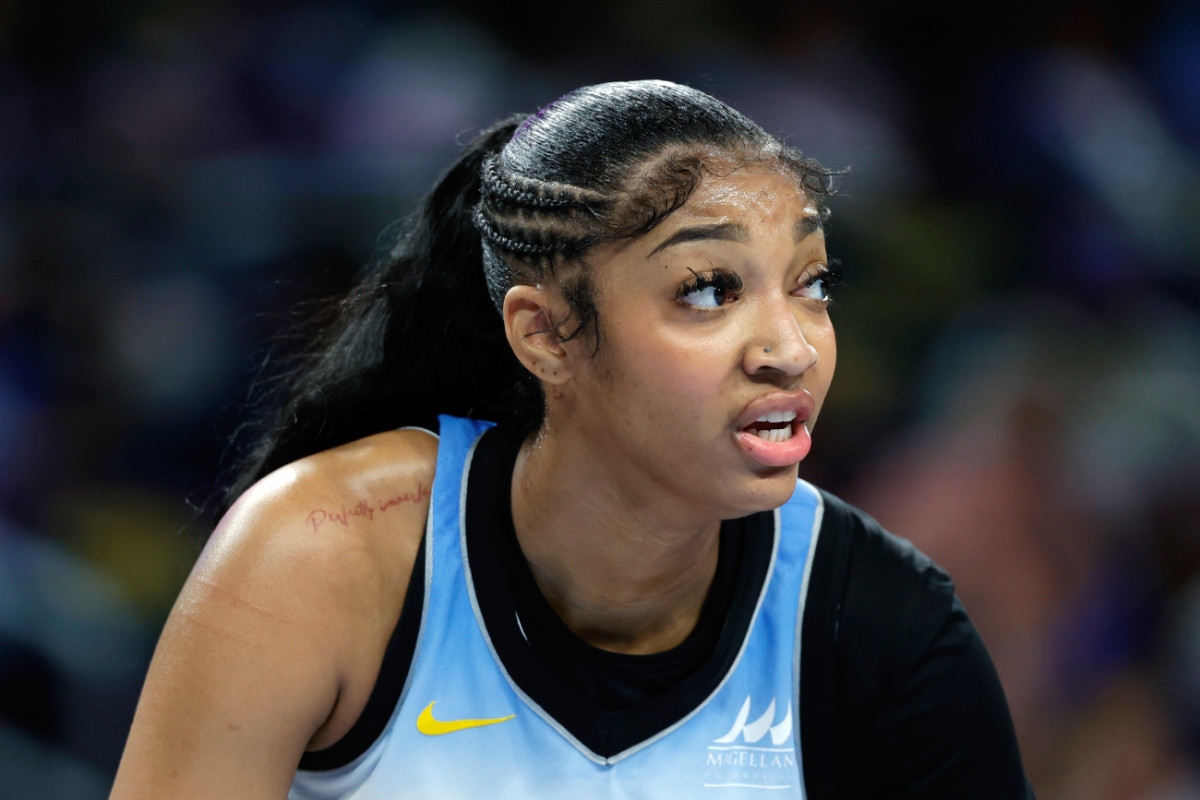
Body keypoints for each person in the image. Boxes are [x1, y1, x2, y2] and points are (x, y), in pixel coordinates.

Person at [110, 79, 1035, 798]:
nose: (790, 349)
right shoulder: (321, 556)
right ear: (545, 333)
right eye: (708, 290)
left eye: (811, 283)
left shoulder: (880, 625)